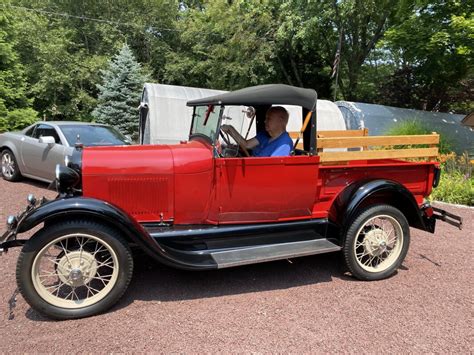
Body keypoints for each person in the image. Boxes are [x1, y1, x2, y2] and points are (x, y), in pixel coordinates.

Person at [221, 106, 293, 157]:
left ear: (280, 121)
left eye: (269, 118)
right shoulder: (264, 134)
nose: (265, 121)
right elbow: (247, 145)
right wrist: (230, 129)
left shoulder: (284, 143)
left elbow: (271, 168)